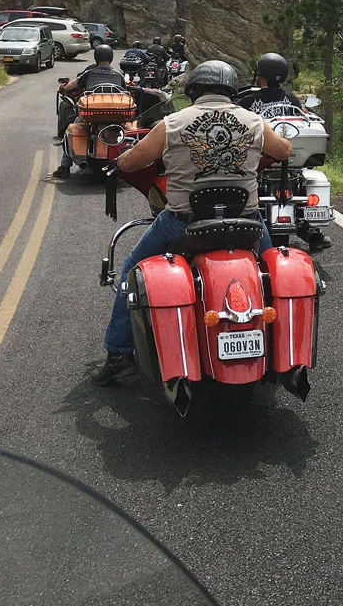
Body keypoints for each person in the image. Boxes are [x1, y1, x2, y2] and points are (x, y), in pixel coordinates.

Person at [91, 59, 294, 386]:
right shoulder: (254, 121)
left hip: (182, 221)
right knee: (272, 274)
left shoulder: (172, 123)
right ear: (231, 91)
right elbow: (284, 150)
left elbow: (132, 160)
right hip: (245, 222)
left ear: (195, 91)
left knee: (131, 268)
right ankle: (281, 346)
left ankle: (118, 352)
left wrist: (120, 158)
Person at [237, 53, 332, 253]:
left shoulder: (248, 101)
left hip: (262, 159)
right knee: (301, 180)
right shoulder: (290, 98)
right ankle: (310, 231)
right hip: (290, 158)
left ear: (260, 75)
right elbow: (303, 113)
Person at [54, 45, 129, 175]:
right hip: (116, 114)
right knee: (129, 129)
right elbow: (126, 89)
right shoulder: (118, 75)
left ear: (96, 58)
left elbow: (73, 84)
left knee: (70, 129)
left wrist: (64, 88)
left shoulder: (89, 73)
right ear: (111, 58)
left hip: (93, 113)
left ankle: (64, 167)